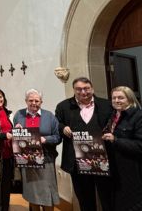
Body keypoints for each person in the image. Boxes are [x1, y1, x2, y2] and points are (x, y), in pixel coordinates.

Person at [55, 77, 113, 211]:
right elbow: (56, 123)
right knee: (85, 199)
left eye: (86, 88)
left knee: (108, 197)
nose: (83, 92)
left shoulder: (106, 105)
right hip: (77, 162)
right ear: (74, 90)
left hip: (103, 159)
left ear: (92, 88)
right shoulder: (63, 106)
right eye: (79, 89)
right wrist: (62, 127)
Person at [101, 86, 142, 211]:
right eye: (114, 98)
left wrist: (116, 140)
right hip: (117, 173)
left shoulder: (141, 116)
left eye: (121, 98)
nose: (117, 100)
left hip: (136, 173)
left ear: (130, 99)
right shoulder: (113, 115)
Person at [13, 89, 61, 211]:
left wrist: (45, 139)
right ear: (26, 101)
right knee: (32, 193)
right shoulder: (19, 115)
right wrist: (16, 130)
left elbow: (58, 137)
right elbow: (16, 137)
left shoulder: (49, 116)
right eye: (31, 100)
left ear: (41, 102)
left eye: (37, 100)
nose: (34, 103)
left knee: (47, 193)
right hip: (27, 160)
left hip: (46, 159)